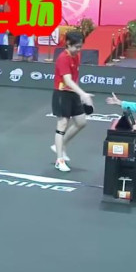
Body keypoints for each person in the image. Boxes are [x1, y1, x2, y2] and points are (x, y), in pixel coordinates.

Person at [51, 31, 93, 172]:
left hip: (73, 93)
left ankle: (59, 145)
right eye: (76, 47)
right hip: (62, 94)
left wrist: (79, 94)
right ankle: (59, 160)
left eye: (81, 46)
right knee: (62, 124)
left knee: (81, 122)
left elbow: (74, 78)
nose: (79, 49)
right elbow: (67, 80)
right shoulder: (63, 58)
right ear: (68, 44)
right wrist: (83, 94)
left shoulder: (76, 56)